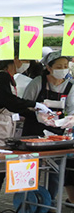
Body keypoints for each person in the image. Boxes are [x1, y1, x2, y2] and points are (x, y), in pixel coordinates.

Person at [0, 50, 50, 213]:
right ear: (15, 59)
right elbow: (11, 102)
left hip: (4, 128)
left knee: (0, 170)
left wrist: (38, 115)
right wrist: (35, 104)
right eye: (24, 59)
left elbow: (15, 106)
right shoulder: (2, 77)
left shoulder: (8, 78)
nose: (26, 64)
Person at [23, 51, 74, 204]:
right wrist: (37, 113)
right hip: (34, 131)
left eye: (65, 66)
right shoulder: (37, 82)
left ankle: (49, 202)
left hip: (56, 133)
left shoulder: (70, 86)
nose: (63, 69)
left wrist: (69, 120)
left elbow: (71, 109)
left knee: (56, 169)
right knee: (33, 166)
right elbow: (24, 104)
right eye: (59, 66)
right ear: (49, 68)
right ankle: (29, 201)